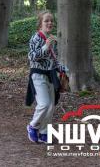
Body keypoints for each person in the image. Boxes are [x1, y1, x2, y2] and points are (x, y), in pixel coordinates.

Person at [25, 11, 68, 143]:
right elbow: (31, 57)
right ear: (40, 23)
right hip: (38, 75)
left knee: (50, 106)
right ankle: (32, 126)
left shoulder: (51, 39)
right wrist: (45, 47)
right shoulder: (36, 38)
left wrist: (63, 69)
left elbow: (53, 60)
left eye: (51, 21)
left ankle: (44, 132)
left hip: (50, 75)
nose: (50, 23)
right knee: (43, 104)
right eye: (46, 21)